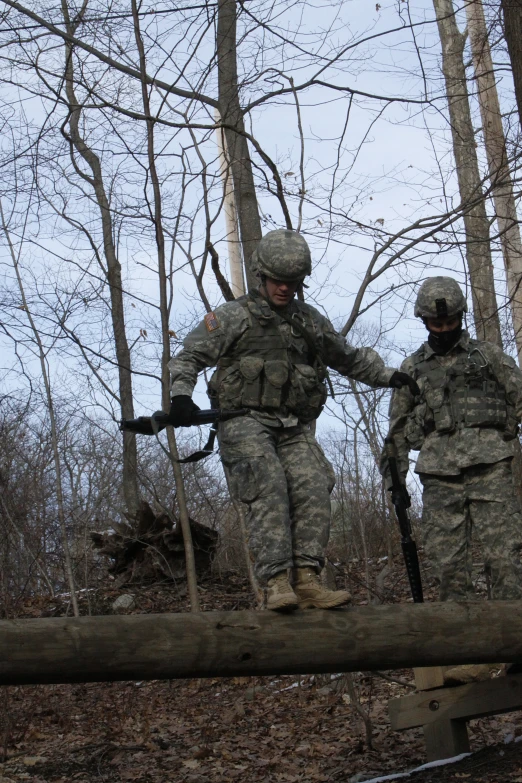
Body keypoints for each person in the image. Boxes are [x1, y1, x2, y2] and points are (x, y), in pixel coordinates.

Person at [168, 229, 418, 611]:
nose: (284, 289)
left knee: (314, 480)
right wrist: (181, 396)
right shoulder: (233, 318)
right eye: (277, 281)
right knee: (266, 480)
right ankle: (276, 581)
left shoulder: (308, 321)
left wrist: (388, 376)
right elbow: (188, 356)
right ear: (261, 276)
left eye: (293, 282)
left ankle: (306, 578)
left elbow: (347, 357)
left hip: (291, 425)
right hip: (243, 419)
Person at [381, 276, 522, 682]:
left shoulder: (487, 356)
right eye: (435, 323)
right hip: (439, 476)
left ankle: (513, 647)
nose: (443, 330)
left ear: (461, 317)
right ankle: (468, 656)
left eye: (450, 322)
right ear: (424, 321)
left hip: (490, 465)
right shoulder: (412, 369)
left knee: (504, 559)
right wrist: (396, 482)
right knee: (449, 567)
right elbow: (399, 430)